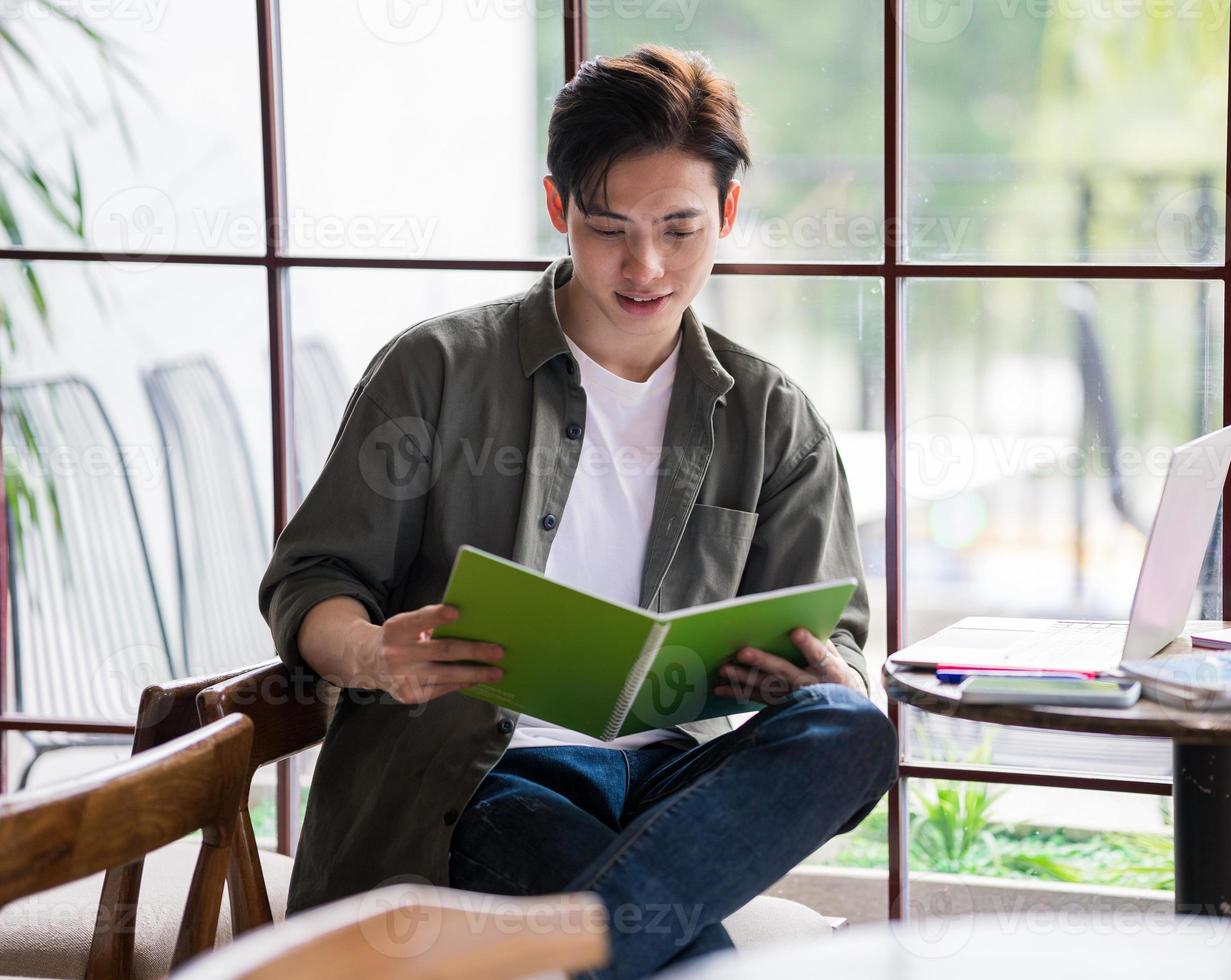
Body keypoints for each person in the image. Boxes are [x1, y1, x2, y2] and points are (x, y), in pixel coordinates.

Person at [258, 44, 898, 979]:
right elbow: (313, 578)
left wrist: (823, 674)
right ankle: (648, 936)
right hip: (473, 775)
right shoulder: (434, 371)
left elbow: (828, 637)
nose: (645, 267)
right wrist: (369, 653)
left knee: (852, 733)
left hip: (669, 788)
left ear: (725, 212)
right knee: (677, 945)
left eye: (679, 230)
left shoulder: (772, 416)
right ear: (558, 207)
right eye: (609, 228)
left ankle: (604, 929)